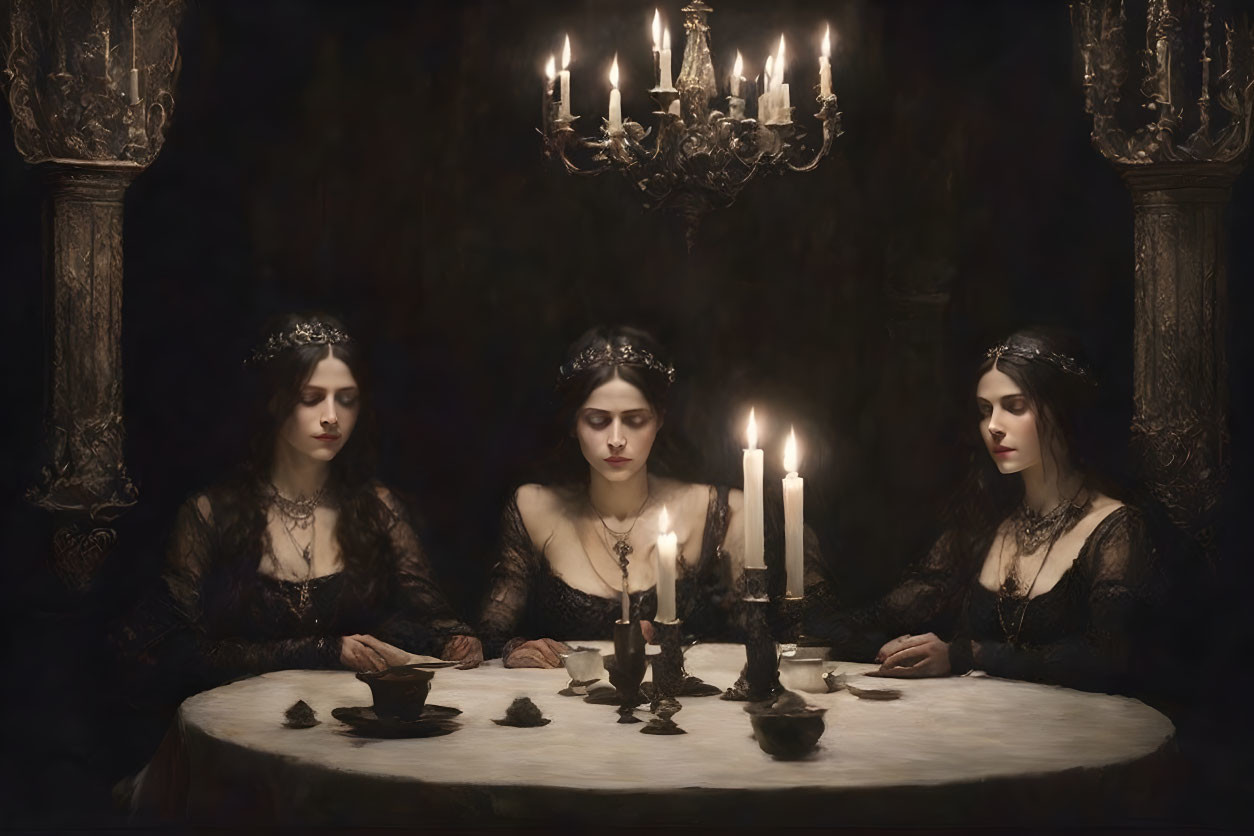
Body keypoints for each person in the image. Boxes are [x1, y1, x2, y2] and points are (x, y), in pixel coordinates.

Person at [121, 313, 481, 702]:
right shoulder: (210, 514)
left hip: (352, 721)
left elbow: (434, 621)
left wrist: (458, 641)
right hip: (239, 727)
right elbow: (174, 653)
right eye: (311, 399)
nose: (332, 417)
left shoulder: (377, 509)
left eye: (347, 400)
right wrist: (323, 651)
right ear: (274, 401)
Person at [812, 328, 1160, 693]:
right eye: (985, 410)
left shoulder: (1116, 529)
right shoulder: (985, 525)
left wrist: (969, 654)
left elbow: (1110, 659)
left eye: (1014, 406)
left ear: (1060, 409)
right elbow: (891, 613)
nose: (993, 426)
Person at [478, 326, 780, 668]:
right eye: (598, 421)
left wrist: (681, 636)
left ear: (659, 419)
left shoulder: (725, 511)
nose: (617, 439)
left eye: (635, 420)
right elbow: (489, 637)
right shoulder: (535, 508)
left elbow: (765, 639)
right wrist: (517, 649)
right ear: (574, 424)